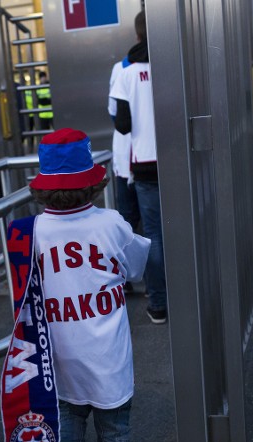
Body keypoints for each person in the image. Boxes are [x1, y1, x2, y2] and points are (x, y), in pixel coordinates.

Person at [28, 128, 150, 442]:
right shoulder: (111, 223)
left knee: (69, 423)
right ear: (93, 183)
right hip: (108, 356)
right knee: (114, 431)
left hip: (60, 355)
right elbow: (135, 267)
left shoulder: (32, 232)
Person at [110, 10, 168, 324]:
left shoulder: (126, 72)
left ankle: (158, 303)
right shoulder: (173, 65)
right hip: (179, 159)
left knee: (155, 235)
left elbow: (121, 124)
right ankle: (193, 296)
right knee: (185, 227)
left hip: (145, 164)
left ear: (137, 35)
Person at [108, 56, 143, 294]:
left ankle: (127, 279)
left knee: (127, 220)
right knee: (153, 223)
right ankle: (155, 284)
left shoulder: (120, 69)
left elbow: (113, 111)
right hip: (145, 155)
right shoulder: (162, 64)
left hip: (126, 155)